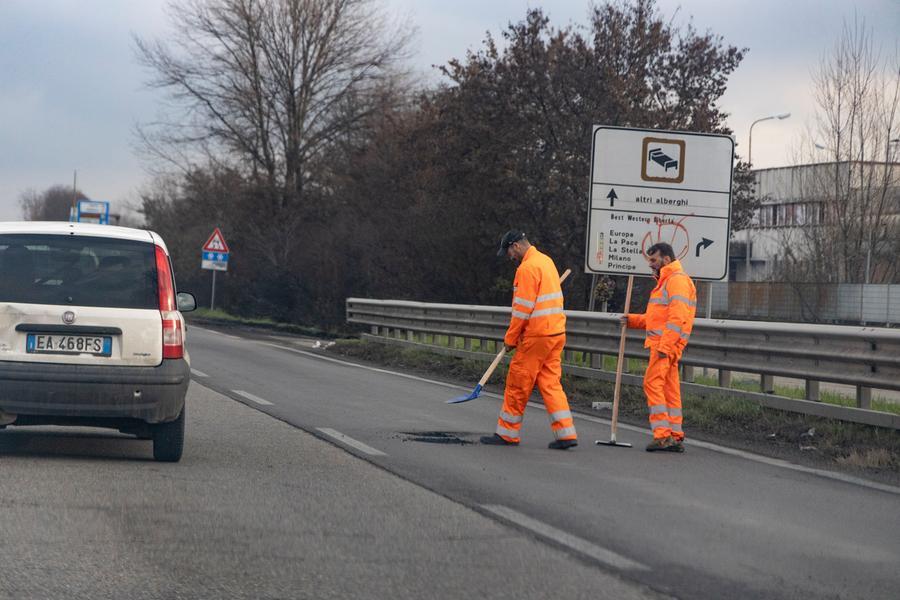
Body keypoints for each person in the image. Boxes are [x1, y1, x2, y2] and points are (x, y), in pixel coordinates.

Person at [480, 230, 578, 450]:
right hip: (555, 333)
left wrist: (511, 338)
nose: (509, 257)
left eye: (509, 252)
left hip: (537, 335)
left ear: (515, 246)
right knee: (551, 383)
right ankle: (566, 433)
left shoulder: (526, 269)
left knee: (518, 382)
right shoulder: (546, 261)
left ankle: (507, 433)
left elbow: (522, 310)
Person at [621, 242, 697, 452]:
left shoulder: (675, 281)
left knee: (652, 384)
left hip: (665, 345)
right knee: (669, 389)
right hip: (668, 344)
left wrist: (665, 346)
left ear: (665, 259)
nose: (650, 265)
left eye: (653, 260)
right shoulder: (667, 281)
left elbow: (677, 317)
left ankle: (663, 436)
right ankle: (674, 433)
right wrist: (633, 320)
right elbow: (657, 319)